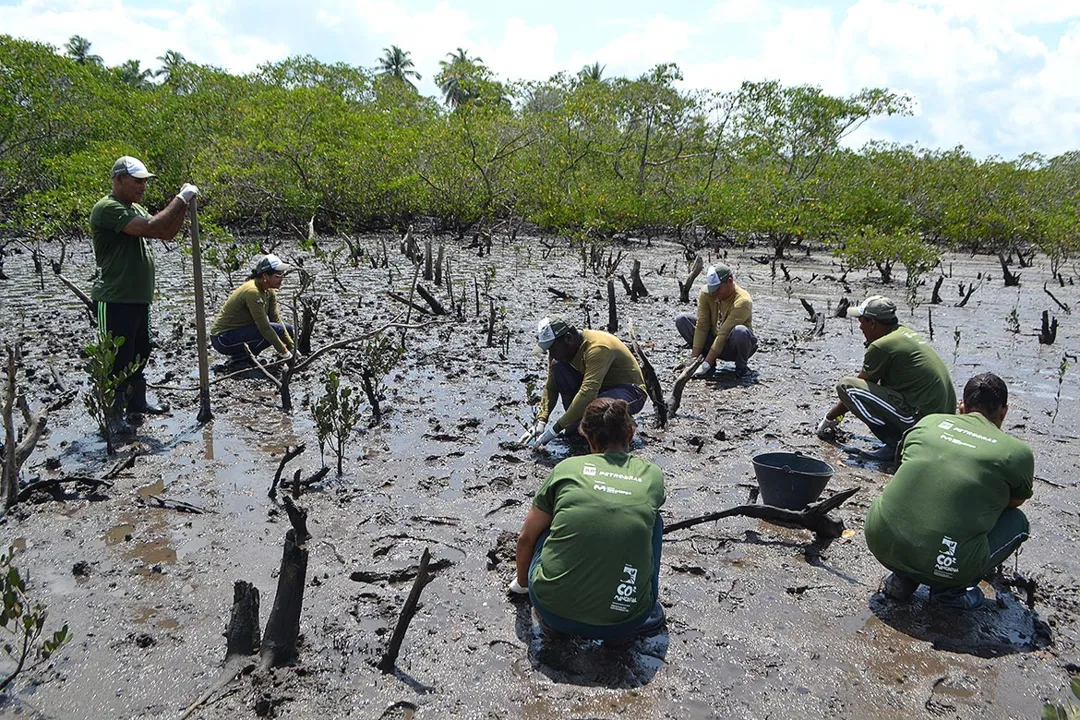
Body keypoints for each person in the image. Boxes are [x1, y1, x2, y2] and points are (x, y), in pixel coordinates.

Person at [864, 373, 1033, 610]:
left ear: (961, 407)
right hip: (946, 560)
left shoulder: (928, 422)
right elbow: (1014, 502)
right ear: (1004, 412)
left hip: (879, 539)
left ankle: (902, 578)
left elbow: (902, 467)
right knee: (1017, 522)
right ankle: (950, 592)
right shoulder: (1016, 453)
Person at [509, 397, 666, 641]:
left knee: (546, 520)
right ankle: (634, 599)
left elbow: (525, 538)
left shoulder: (566, 469)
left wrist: (522, 585)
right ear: (630, 435)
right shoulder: (652, 475)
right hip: (625, 620)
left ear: (588, 438)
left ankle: (559, 592)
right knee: (654, 523)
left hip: (552, 610)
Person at [90, 155, 199, 427]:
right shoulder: (108, 208)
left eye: (144, 182)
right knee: (116, 358)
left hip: (138, 298)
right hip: (115, 298)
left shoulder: (135, 209)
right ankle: (113, 416)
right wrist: (180, 198)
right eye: (137, 181)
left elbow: (166, 233)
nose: (142, 186)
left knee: (140, 351)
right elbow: (153, 228)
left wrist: (183, 207)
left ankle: (137, 403)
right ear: (118, 180)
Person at [816, 295, 956, 460]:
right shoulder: (904, 333)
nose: (860, 327)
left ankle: (894, 444)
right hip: (942, 420)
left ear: (873, 323)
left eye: (861, 321)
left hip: (922, 422)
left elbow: (860, 387)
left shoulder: (881, 346)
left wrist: (830, 419)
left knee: (846, 387)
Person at [519, 317, 647, 449]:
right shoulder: (559, 353)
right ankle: (576, 426)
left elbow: (588, 393)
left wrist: (555, 429)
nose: (551, 353)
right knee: (558, 366)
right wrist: (541, 421)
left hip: (630, 390)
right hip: (601, 388)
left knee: (599, 408)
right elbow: (551, 387)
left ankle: (618, 432)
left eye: (552, 348)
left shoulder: (597, 347)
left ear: (568, 339)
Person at [210, 254, 296, 364]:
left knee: (286, 328)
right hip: (222, 339)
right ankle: (242, 359)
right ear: (265, 276)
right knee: (276, 330)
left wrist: (292, 347)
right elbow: (265, 328)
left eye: (282, 276)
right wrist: (285, 353)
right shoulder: (252, 292)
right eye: (278, 276)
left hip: (237, 333)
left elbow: (275, 319)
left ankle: (245, 356)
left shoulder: (269, 291)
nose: (281, 280)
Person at [675, 263, 757, 378]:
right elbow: (702, 325)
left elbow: (724, 333)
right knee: (682, 320)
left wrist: (705, 366)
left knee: (741, 332)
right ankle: (704, 361)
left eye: (718, 289)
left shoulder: (743, 301)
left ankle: (741, 368)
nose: (714, 293)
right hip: (714, 340)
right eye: (712, 289)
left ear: (730, 281)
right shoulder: (708, 293)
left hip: (734, 345)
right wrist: (692, 362)